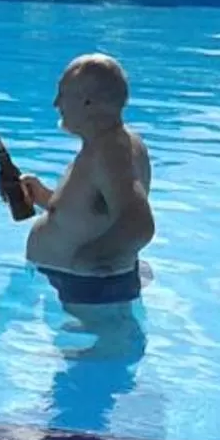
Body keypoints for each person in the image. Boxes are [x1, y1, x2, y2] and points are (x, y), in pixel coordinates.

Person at [21, 53, 155, 304]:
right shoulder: (109, 146)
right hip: (85, 287)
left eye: (63, 94)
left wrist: (89, 259)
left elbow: (139, 224)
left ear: (88, 102)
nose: (55, 103)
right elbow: (92, 212)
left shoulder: (110, 153)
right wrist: (42, 197)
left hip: (91, 291)